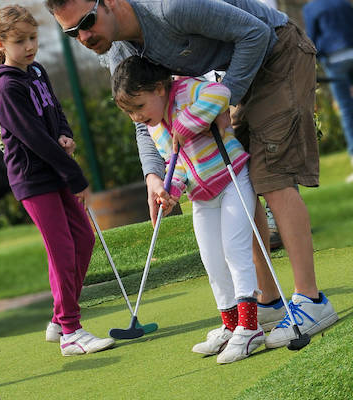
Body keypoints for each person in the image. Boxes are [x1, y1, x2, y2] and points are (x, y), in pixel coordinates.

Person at [47, 0, 338, 348]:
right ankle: (270, 301)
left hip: (277, 51)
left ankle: (311, 300)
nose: (84, 35)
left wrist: (225, 97)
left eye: (88, 21)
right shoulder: (118, 52)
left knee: (271, 177)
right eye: (71, 32)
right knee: (242, 182)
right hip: (236, 74)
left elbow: (256, 33)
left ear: (109, 2)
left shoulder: (170, 9)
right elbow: (145, 118)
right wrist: (153, 175)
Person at [0, 5, 115, 356]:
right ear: (0, 43)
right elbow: (34, 138)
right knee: (62, 249)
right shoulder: (5, 88)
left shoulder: (36, 71)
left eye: (33, 38)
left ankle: (58, 318)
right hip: (32, 179)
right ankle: (71, 331)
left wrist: (66, 134)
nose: (29, 47)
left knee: (83, 240)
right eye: (20, 41)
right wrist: (75, 174)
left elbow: (55, 111)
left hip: (55, 170)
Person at [112, 56, 263, 363]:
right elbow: (175, 162)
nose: (136, 118)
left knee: (235, 251)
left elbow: (220, 93)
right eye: (129, 112)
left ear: (158, 89)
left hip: (231, 178)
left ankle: (250, 328)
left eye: (138, 107)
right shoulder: (154, 126)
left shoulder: (186, 91)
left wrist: (187, 122)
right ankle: (231, 325)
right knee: (212, 261)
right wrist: (173, 192)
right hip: (201, 196)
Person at [304, 0, 353, 183]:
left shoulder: (311, 8)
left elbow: (311, 41)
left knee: (347, 111)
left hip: (335, 61)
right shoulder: (343, 3)